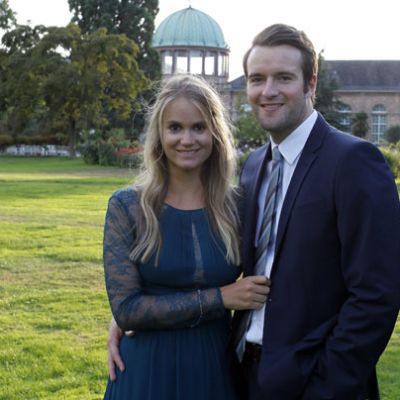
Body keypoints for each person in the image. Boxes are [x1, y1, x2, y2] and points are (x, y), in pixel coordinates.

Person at [107, 25, 400, 399]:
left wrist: (328, 385)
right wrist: (129, 313)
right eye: (257, 79)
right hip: (239, 372)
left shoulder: (353, 162)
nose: (268, 91)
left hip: (313, 380)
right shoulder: (254, 167)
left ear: (310, 82)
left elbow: (377, 294)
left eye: (283, 78)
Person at [102, 74, 270, 400]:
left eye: (199, 127)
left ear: (215, 133)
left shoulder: (239, 206)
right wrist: (220, 297)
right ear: (159, 135)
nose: (187, 139)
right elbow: (127, 311)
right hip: (145, 369)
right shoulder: (127, 206)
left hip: (215, 367)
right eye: (175, 128)